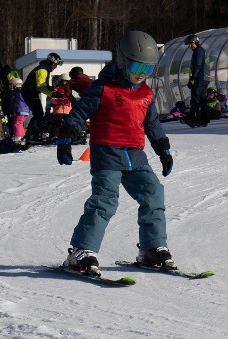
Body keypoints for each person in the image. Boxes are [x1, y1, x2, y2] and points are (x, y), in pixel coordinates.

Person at [56, 30, 175, 276]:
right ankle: (82, 252)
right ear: (122, 61)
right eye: (137, 67)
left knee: (153, 194)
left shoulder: (145, 93)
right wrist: (66, 139)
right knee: (105, 201)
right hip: (107, 153)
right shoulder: (102, 88)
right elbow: (78, 113)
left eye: (148, 69)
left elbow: (152, 123)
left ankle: (152, 248)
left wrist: (163, 150)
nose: (142, 74)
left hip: (136, 155)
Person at [22, 51, 62, 142]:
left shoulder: (45, 69)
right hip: (29, 92)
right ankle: (31, 135)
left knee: (38, 113)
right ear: (51, 62)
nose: (56, 67)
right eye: (55, 64)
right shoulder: (43, 70)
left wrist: (53, 90)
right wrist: (52, 94)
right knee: (38, 113)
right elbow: (40, 87)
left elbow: (45, 86)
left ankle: (32, 135)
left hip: (30, 92)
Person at [185, 34, 210, 127]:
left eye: (191, 44)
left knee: (195, 98)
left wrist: (193, 78)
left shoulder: (198, 51)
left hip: (200, 78)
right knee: (203, 99)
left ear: (195, 42)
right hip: (205, 77)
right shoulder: (201, 50)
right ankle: (204, 120)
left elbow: (198, 65)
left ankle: (193, 120)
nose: (189, 46)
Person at [49, 74, 73, 140]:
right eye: (64, 81)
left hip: (68, 110)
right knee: (57, 123)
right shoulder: (56, 89)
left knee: (67, 124)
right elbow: (52, 99)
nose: (65, 83)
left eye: (67, 81)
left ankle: (67, 136)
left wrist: (69, 101)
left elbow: (73, 99)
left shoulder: (70, 90)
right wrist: (59, 100)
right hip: (58, 110)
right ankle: (55, 136)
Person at [8, 77, 30, 143]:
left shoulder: (17, 92)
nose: (11, 87)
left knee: (17, 124)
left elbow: (15, 102)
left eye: (12, 85)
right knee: (20, 124)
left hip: (20, 110)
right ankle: (23, 137)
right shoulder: (23, 91)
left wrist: (13, 111)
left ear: (16, 84)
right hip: (25, 110)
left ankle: (18, 137)